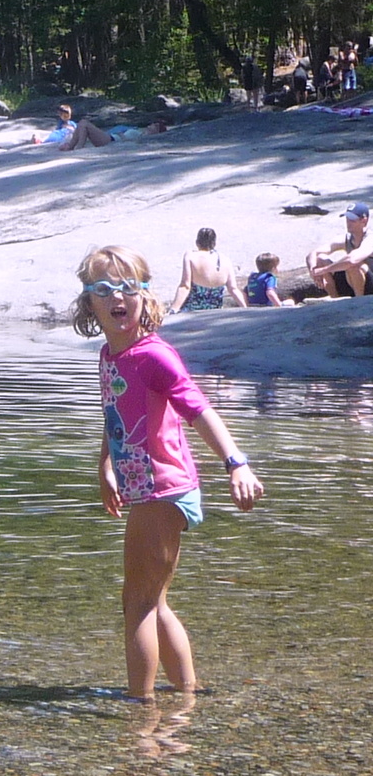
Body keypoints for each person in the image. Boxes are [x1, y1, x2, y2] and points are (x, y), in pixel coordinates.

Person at [69, 244, 263, 700]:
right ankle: (187, 695)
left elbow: (199, 409)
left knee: (135, 603)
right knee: (153, 601)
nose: (119, 297)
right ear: (89, 303)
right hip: (147, 487)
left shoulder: (154, 356)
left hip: (163, 489)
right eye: (105, 289)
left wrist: (236, 462)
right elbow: (114, 416)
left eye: (129, 288)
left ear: (144, 297)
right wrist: (105, 467)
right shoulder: (111, 355)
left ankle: (140, 704)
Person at [169, 228, 246, 312]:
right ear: (214, 243)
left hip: (192, 312)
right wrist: (246, 308)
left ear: (197, 242)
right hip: (215, 312)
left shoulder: (190, 256)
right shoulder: (225, 259)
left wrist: (173, 309)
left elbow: (185, 286)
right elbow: (233, 289)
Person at [307, 202, 373, 297]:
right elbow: (314, 253)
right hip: (352, 282)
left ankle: (359, 303)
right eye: (347, 219)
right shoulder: (346, 239)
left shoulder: (370, 239)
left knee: (355, 265)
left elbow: (352, 260)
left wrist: (324, 270)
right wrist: (313, 271)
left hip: (370, 286)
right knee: (321, 258)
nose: (348, 223)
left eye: (352, 220)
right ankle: (335, 300)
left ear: (364, 221)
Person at [57, 118, 168, 151]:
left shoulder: (144, 137)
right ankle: (71, 146)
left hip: (111, 140)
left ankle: (78, 147)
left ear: (157, 131)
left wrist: (122, 135)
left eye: (155, 126)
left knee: (84, 123)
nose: (151, 125)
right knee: (82, 123)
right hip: (111, 138)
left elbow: (132, 143)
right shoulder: (140, 131)